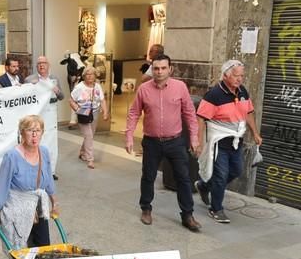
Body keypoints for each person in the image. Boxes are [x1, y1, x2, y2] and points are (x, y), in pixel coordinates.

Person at [0, 115, 58, 259]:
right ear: (22, 133)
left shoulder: (44, 151)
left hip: (38, 204)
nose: (34, 135)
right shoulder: (12, 156)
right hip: (17, 204)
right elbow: (2, 185)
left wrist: (54, 202)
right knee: (17, 246)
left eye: (38, 130)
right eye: (30, 130)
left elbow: (48, 179)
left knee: (42, 244)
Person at [125, 55, 201, 231]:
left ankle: (187, 215)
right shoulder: (144, 89)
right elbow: (134, 113)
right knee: (148, 177)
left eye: (163, 68)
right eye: (156, 68)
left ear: (170, 69)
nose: (159, 72)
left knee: (183, 178)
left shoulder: (180, 87)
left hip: (175, 141)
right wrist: (129, 136)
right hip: (151, 142)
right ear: (152, 69)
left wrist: (194, 138)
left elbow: (190, 113)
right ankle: (146, 209)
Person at [195, 60, 263, 224]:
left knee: (237, 170)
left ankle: (205, 186)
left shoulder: (242, 92)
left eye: (242, 76)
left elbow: (248, 113)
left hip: (236, 141)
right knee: (221, 175)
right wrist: (198, 142)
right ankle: (216, 209)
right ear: (225, 75)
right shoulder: (214, 94)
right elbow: (201, 119)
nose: (240, 79)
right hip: (219, 142)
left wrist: (255, 133)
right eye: (236, 75)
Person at [70, 66, 109, 168]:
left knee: (89, 135)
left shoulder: (98, 86)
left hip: (94, 113)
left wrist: (105, 112)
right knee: (89, 136)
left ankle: (82, 152)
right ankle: (90, 159)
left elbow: (102, 100)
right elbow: (71, 100)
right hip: (83, 113)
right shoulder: (79, 87)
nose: (89, 76)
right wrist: (78, 110)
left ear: (95, 76)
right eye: (87, 74)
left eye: (92, 74)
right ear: (84, 76)